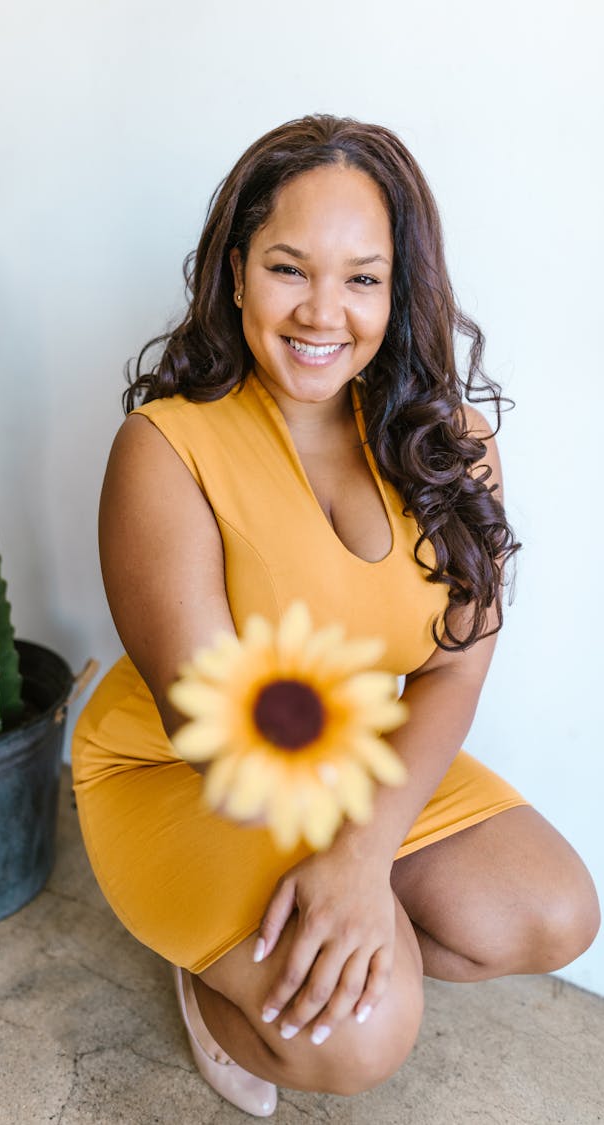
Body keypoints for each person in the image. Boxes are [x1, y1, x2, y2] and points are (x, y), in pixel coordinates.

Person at [72, 114, 600, 1116]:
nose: (325, 311)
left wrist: (360, 858)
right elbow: (213, 728)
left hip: (349, 753)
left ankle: (313, 933)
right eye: (287, 268)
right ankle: (213, 985)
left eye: (363, 276)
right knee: (362, 1035)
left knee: (554, 912)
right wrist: (354, 877)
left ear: (399, 291)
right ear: (234, 274)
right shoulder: (165, 448)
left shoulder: (451, 444)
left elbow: (452, 671)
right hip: (185, 775)